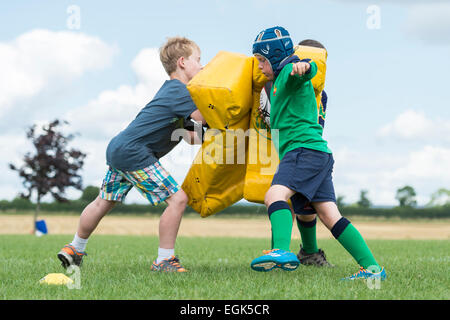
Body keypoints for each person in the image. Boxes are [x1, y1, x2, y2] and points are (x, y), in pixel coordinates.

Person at [57, 36, 206, 273]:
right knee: (178, 199)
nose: (202, 66)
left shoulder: (174, 94)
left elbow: (192, 137)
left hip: (120, 148)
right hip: (135, 152)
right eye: (198, 60)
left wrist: (205, 133)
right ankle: (164, 260)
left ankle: (75, 247)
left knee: (103, 202)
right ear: (182, 62)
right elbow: (204, 117)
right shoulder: (181, 91)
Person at [250, 26, 386, 281]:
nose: (258, 66)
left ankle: (280, 251)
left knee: (274, 195)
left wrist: (303, 67)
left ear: (275, 56)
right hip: (316, 153)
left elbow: (305, 69)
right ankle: (372, 270)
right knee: (329, 214)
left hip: (302, 151)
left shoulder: (290, 71)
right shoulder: (276, 82)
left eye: (261, 60)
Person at [258, 39, 333, 267]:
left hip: (306, 149)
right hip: (283, 147)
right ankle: (278, 252)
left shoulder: (321, 94)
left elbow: (318, 122)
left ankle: (307, 253)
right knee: (279, 198)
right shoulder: (277, 82)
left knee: (306, 206)